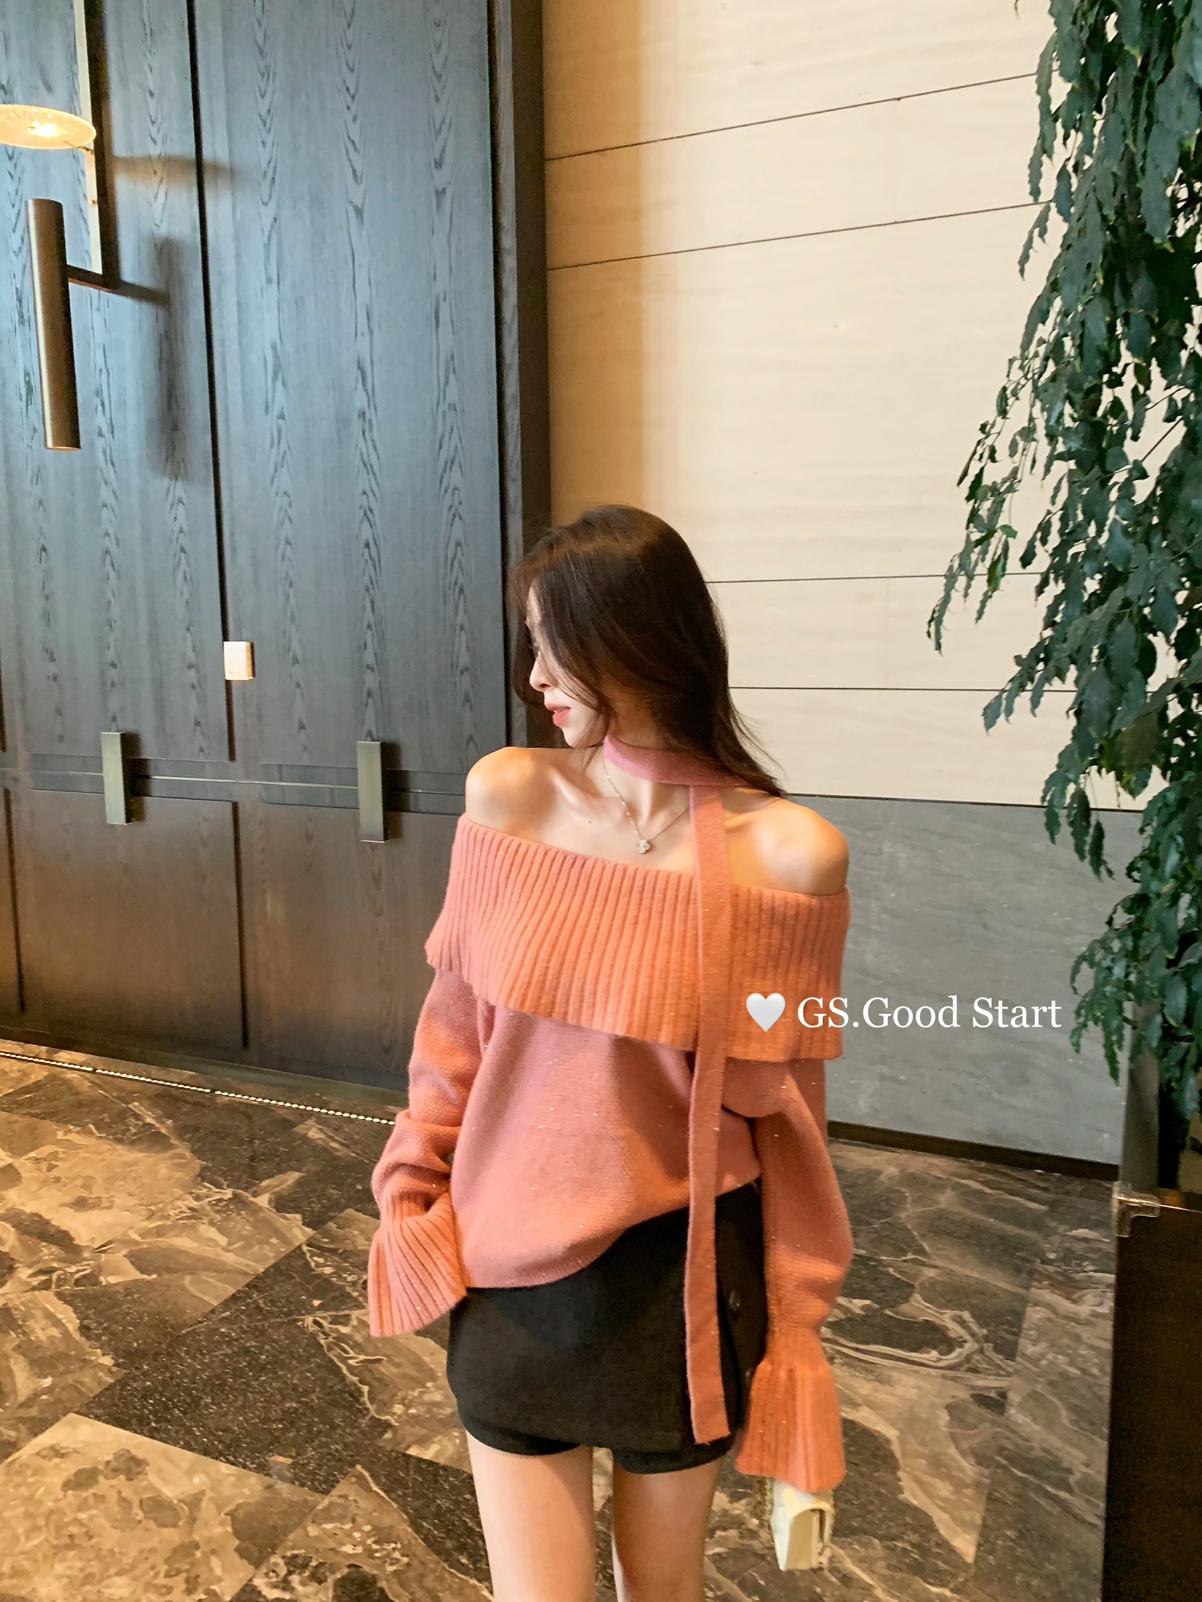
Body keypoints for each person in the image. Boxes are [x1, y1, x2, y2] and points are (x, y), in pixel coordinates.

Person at [367, 505, 854, 1602]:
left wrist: (797, 1329)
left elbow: (791, 1126)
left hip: (678, 1287)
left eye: (555, 645)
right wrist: (411, 1192)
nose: (535, 675)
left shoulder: (791, 856)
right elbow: (454, 1036)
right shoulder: (510, 796)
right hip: (508, 1261)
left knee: (660, 1589)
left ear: (633, 641)